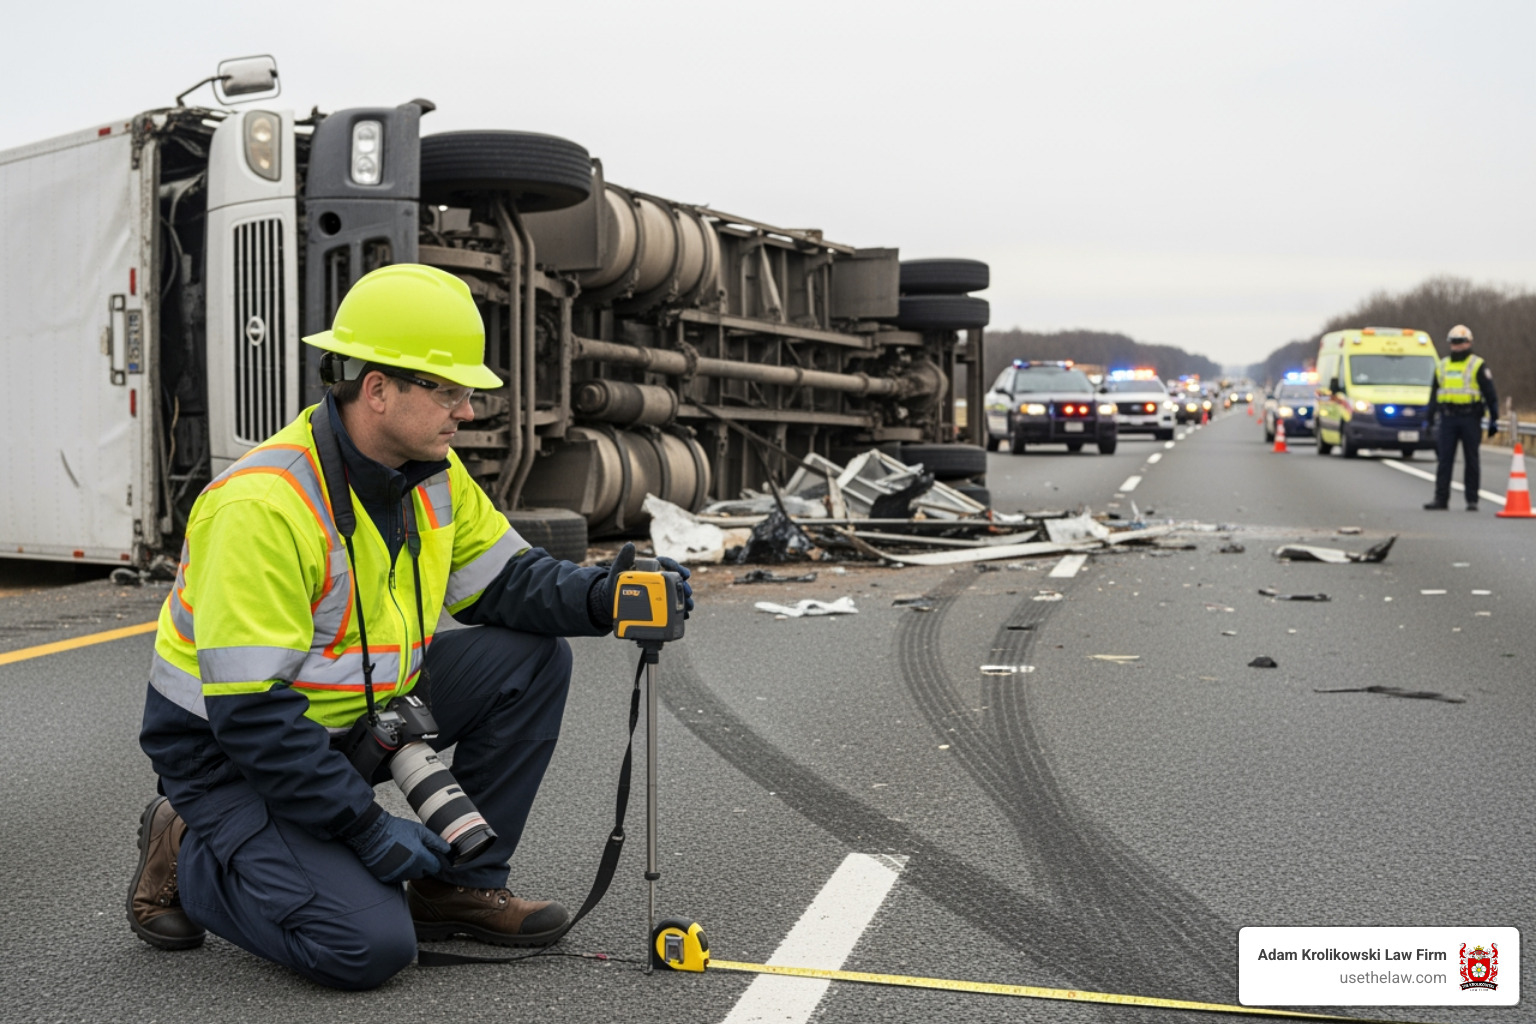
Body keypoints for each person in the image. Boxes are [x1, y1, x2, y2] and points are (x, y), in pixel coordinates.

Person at [127, 264, 691, 990]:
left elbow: (508, 583)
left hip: (356, 718)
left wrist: (606, 597)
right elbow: (254, 717)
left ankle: (456, 885)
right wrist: (363, 826)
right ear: (378, 388)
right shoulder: (263, 507)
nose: (467, 410)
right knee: (366, 948)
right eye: (448, 391)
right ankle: (189, 843)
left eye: (468, 393)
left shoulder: (432, 473)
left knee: (529, 659)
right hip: (234, 758)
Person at [1423, 324, 1498, 511]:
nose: (1458, 346)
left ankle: (1472, 500)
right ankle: (1441, 499)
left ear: (1469, 343)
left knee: (1471, 459)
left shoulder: (1477, 364)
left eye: (1462, 342)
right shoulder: (1442, 366)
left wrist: (1494, 418)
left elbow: (1490, 394)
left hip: (1470, 418)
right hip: (1448, 418)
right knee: (1444, 460)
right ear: (1450, 344)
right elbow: (1434, 395)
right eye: (1455, 342)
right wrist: (1429, 418)